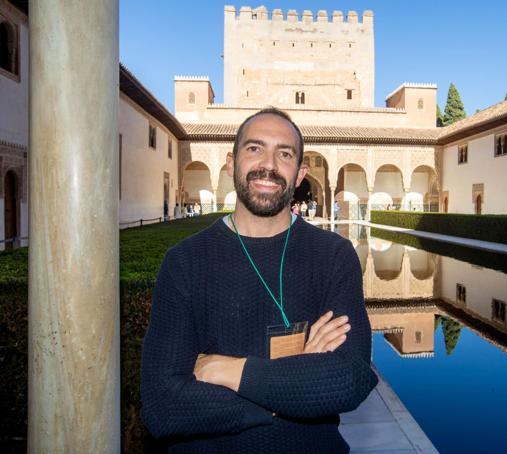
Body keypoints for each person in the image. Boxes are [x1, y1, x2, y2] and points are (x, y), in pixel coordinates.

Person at [141, 107, 377, 452]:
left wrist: (225, 370)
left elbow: (350, 379)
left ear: (300, 174)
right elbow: (163, 406)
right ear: (230, 162)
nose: (268, 164)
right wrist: (295, 382)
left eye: (284, 153)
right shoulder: (185, 262)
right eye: (254, 149)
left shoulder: (334, 256)